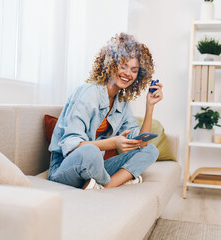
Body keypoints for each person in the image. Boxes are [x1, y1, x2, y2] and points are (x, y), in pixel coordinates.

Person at [48, 33, 163, 189]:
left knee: (150, 150)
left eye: (134, 70)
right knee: (91, 151)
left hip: (95, 167)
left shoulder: (121, 102)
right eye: (123, 66)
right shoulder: (89, 93)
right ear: (110, 64)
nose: (128, 73)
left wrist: (150, 106)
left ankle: (101, 186)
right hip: (66, 167)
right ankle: (111, 183)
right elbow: (72, 147)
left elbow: (141, 143)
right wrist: (114, 142)